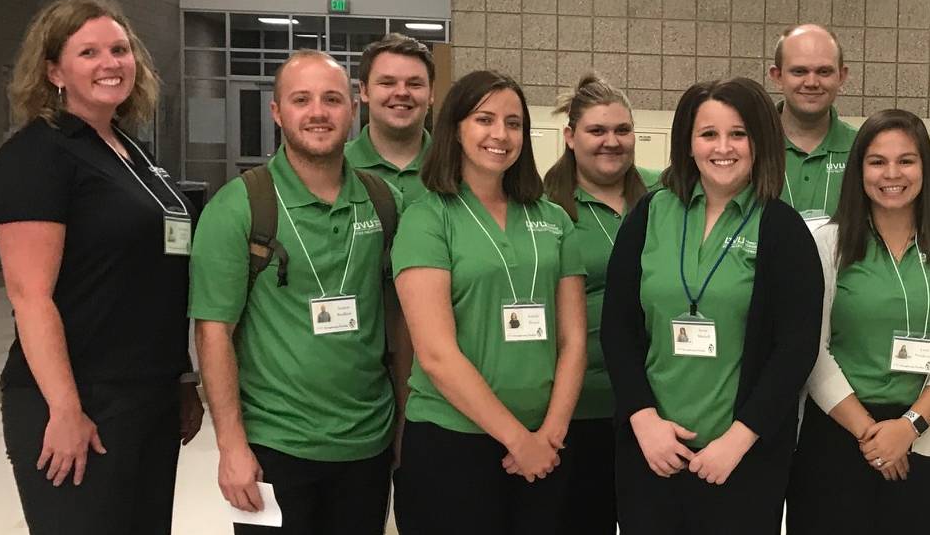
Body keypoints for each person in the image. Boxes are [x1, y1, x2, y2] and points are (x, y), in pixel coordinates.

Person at [0, 0, 202, 535]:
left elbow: (152, 277)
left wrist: (180, 380)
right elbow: (29, 295)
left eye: (120, 49)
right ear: (54, 69)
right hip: (80, 399)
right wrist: (64, 409)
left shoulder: (133, 152)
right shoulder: (37, 155)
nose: (111, 63)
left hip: (148, 398)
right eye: (89, 53)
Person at [189, 50, 406, 535]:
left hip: (366, 443)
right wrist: (231, 446)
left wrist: (403, 425)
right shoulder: (239, 207)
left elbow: (397, 319)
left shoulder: (382, 201)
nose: (318, 113)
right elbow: (213, 332)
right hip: (275, 447)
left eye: (332, 99)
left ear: (353, 108)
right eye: (301, 99)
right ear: (276, 111)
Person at [602, 78, 822, 534]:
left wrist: (738, 441)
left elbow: (796, 348)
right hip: (653, 451)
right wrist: (644, 421)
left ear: (760, 141)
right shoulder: (649, 214)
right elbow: (618, 329)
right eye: (708, 134)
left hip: (740, 458)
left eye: (738, 134)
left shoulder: (782, 228)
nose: (723, 148)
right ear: (687, 142)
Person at [389, 70, 587, 532]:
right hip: (453, 443)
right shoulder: (427, 218)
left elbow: (573, 340)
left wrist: (550, 436)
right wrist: (518, 441)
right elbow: (436, 354)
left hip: (545, 445)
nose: (500, 134)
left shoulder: (554, 220)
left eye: (514, 123)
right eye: (485, 119)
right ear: (455, 128)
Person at [787, 110, 930, 533]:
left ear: (925, 169)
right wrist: (870, 434)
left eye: (906, 160)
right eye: (877, 161)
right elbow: (811, 347)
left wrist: (908, 428)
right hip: (838, 432)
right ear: (859, 168)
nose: (891, 174)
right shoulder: (827, 243)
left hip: (924, 431)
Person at [540, 73, 659, 534]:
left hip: (653, 407)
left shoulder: (665, 196)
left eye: (622, 131)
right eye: (596, 131)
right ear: (570, 137)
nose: (611, 142)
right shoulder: (546, 207)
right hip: (578, 408)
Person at [770, 24, 856, 221]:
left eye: (824, 72)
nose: (811, 82)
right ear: (777, 76)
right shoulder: (749, 147)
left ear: (841, 76)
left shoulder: (863, 148)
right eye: (799, 71)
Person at [345, 33, 435, 203]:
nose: (402, 92)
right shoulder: (335, 166)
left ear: (431, 93)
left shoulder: (457, 167)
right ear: (364, 91)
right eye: (387, 83)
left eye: (414, 84)